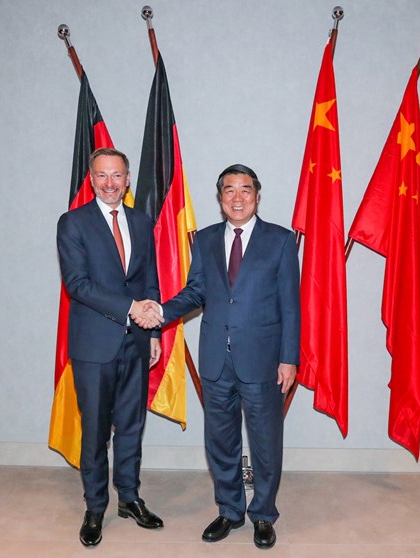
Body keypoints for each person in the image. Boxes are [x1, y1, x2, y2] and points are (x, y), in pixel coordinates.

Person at [137, 164, 300, 549]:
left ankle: (263, 514)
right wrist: (160, 312)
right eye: (229, 190)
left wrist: (289, 358)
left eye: (245, 190)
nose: (237, 198)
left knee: (265, 443)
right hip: (215, 359)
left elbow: (290, 305)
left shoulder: (280, 240)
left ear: (257, 195)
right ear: (220, 197)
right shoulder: (206, 239)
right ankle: (230, 510)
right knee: (221, 441)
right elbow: (196, 292)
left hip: (263, 360)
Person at [57, 147, 164, 547]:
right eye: (101, 175)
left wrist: (154, 332)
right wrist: (130, 308)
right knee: (96, 431)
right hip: (94, 346)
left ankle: (130, 498)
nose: (109, 183)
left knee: (132, 427)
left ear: (128, 179)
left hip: (136, 342)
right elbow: (78, 285)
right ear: (91, 179)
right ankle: (95, 507)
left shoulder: (141, 221)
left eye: (116, 175)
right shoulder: (73, 223)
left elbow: (149, 279)